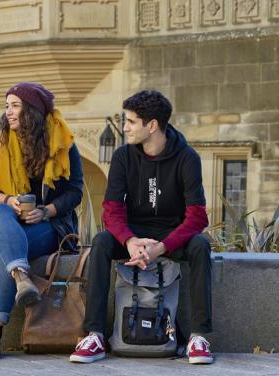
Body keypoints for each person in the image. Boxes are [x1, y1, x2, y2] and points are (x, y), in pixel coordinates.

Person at [70, 90, 214, 365]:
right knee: (100, 243)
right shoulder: (124, 156)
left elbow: (196, 217)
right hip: (133, 233)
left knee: (200, 245)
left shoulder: (187, 158)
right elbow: (111, 209)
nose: (124, 127)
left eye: (131, 121)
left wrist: (161, 248)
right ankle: (95, 334)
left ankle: (199, 336)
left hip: (172, 235)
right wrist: (128, 240)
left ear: (152, 125)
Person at [0, 82, 85, 361]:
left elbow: (75, 192)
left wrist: (46, 211)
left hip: (44, 226)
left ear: (32, 111)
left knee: (7, 249)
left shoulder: (63, 145)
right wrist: (7, 200)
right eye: (7, 105)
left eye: (15, 105)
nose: (8, 112)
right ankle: (21, 276)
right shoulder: (0, 143)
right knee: (1, 216)